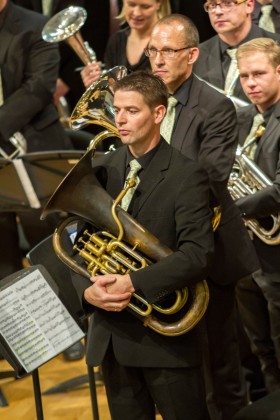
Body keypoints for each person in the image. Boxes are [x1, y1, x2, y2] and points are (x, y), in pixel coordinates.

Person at [68, 70, 215, 420]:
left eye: (132, 111)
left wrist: (131, 283)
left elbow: (198, 254)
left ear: (159, 114)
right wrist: (87, 294)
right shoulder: (101, 169)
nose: (119, 118)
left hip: (165, 345)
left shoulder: (187, 174)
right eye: (117, 109)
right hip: (111, 339)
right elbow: (75, 248)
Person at [146, 13, 260, 420]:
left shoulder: (216, 106)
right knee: (179, 364)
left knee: (220, 362)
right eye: (152, 50)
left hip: (208, 246)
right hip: (158, 247)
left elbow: (208, 178)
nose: (157, 59)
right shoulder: (145, 99)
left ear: (192, 55)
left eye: (168, 51)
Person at [234, 37, 280, 393]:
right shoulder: (250, 119)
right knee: (259, 347)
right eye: (244, 75)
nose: (251, 82)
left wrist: (231, 207)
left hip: (277, 257)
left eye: (259, 73)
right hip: (251, 253)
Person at [193, 0, 280, 102]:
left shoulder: (277, 47)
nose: (218, 11)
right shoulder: (195, 56)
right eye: (212, 5)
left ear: (249, 5)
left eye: (228, 3)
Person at [81, 0, 171, 89]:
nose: (137, 13)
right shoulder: (116, 40)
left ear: (159, 3)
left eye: (145, 7)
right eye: (131, 4)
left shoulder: (169, 40)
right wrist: (96, 86)